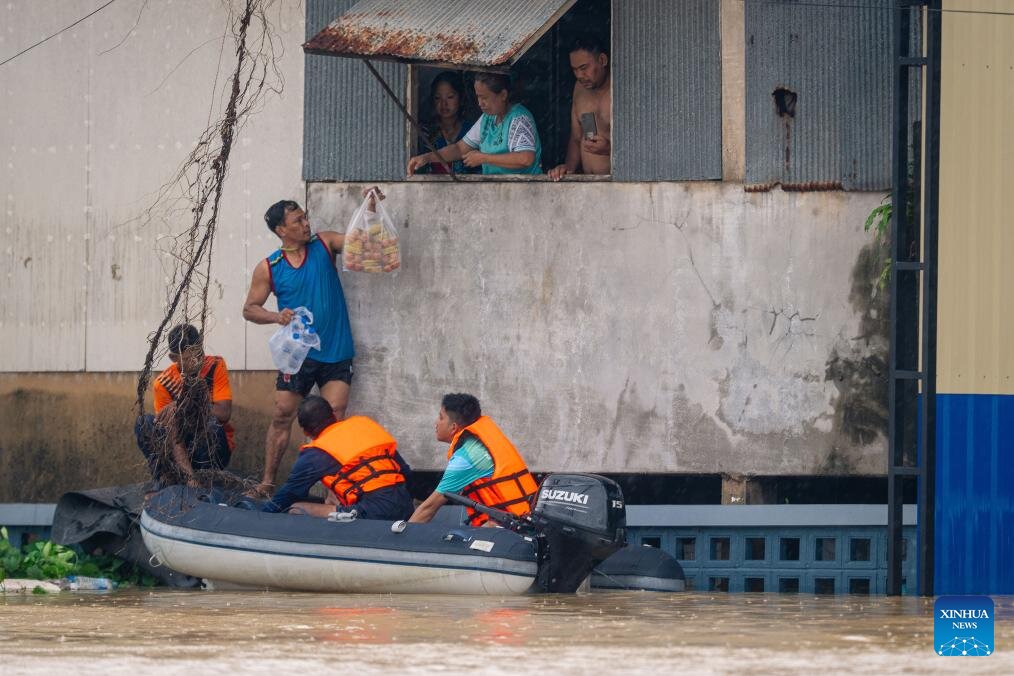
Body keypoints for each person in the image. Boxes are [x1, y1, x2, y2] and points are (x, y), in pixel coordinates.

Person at [242, 189, 383, 497]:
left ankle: (333, 492)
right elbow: (249, 309)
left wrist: (370, 209)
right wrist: (274, 317)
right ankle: (267, 483)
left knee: (334, 415)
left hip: (336, 350)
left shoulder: (324, 243)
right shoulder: (270, 266)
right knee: (282, 414)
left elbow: (361, 242)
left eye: (305, 217)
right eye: (298, 220)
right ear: (282, 230)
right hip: (298, 355)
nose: (306, 223)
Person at [262, 396, 414, 520]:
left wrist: (260, 515)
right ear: (333, 416)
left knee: (296, 508)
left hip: (372, 511)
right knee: (331, 499)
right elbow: (405, 472)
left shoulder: (315, 452)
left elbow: (289, 494)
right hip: (405, 505)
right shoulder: (364, 425)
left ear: (306, 432)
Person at [409, 393, 539, 526]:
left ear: (453, 427)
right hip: (527, 520)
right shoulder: (483, 442)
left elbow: (429, 508)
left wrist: (402, 537)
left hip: (514, 528)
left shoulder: (467, 457)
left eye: (441, 417)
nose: (436, 422)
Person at [135, 324, 234, 487]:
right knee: (143, 423)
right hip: (179, 449)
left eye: (199, 354)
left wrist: (183, 405)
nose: (196, 362)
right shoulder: (163, 383)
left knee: (213, 426)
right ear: (173, 358)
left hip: (211, 450)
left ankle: (205, 479)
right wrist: (188, 474)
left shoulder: (215, 365)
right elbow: (171, 434)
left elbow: (223, 413)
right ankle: (167, 478)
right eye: (188, 358)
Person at [407, 73, 542, 176]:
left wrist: (484, 158)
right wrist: (427, 157)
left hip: (525, 193)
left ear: (503, 95)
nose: (480, 103)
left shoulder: (519, 118)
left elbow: (526, 158)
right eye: (478, 97)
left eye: (485, 98)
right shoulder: (487, 119)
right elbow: (460, 149)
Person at [549, 37, 612, 180]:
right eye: (575, 70)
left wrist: (610, 149)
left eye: (584, 68)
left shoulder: (622, 90)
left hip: (620, 185)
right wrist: (568, 169)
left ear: (602, 60)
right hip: (586, 184)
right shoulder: (579, 88)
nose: (579, 76)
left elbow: (644, 144)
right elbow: (577, 138)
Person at [419, 71, 478, 175]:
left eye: (450, 97)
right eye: (438, 98)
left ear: (461, 98)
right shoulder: (425, 132)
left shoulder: (472, 131)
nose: (443, 104)